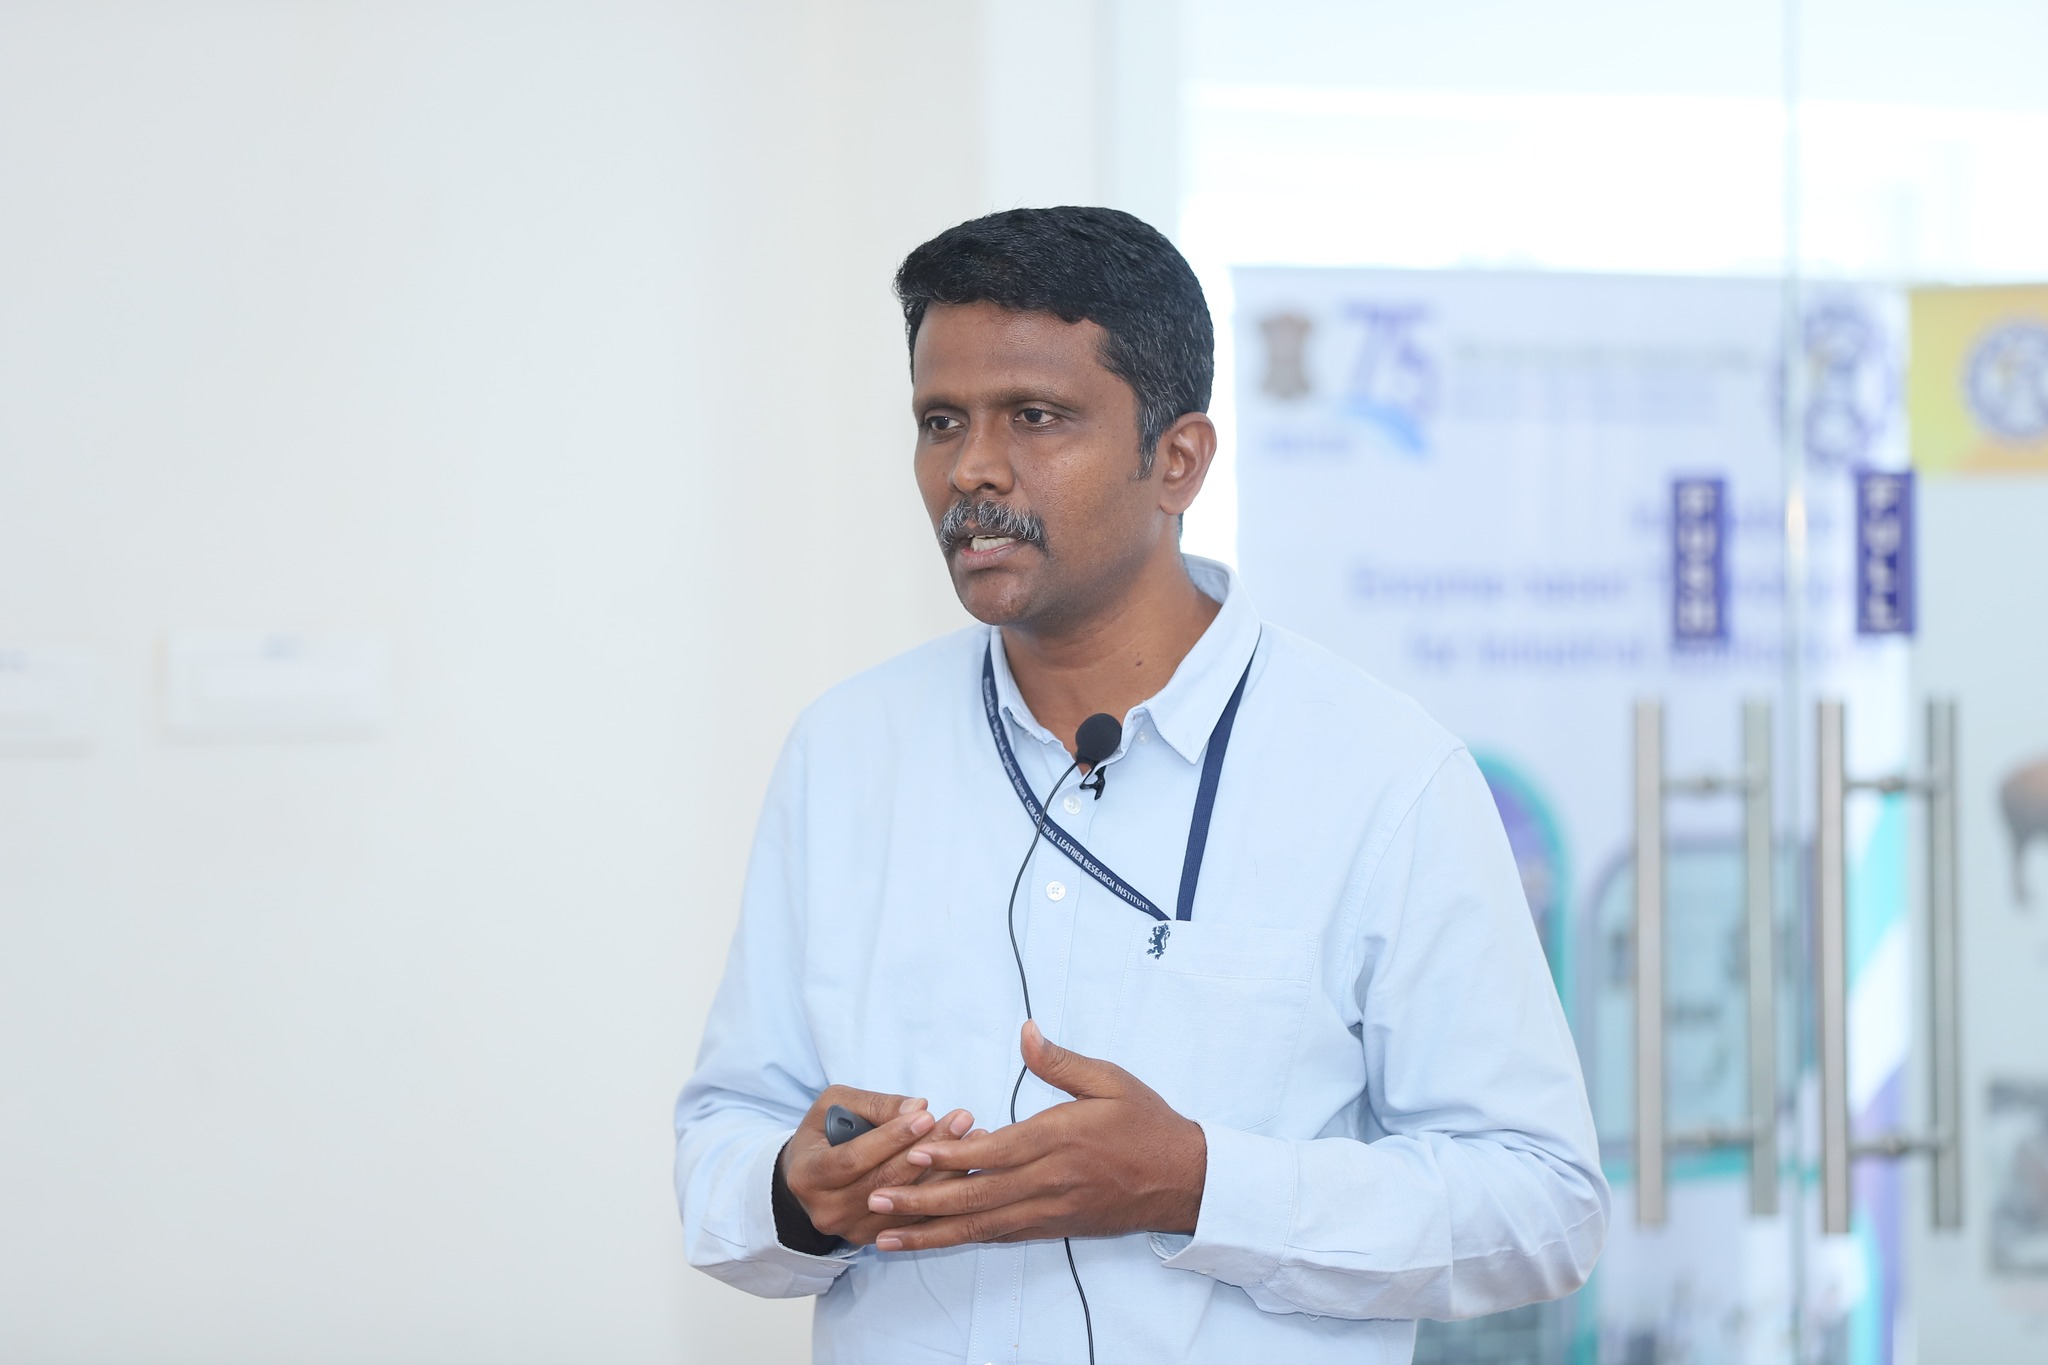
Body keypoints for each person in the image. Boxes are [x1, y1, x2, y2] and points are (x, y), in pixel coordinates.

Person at [674, 206, 1607, 1364]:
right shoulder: (846, 754)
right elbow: (722, 1138)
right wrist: (795, 1193)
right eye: (939, 421)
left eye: (1034, 417)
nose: (970, 468)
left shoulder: (1381, 775)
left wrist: (1197, 1184)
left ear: (1178, 460)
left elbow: (1540, 1205)